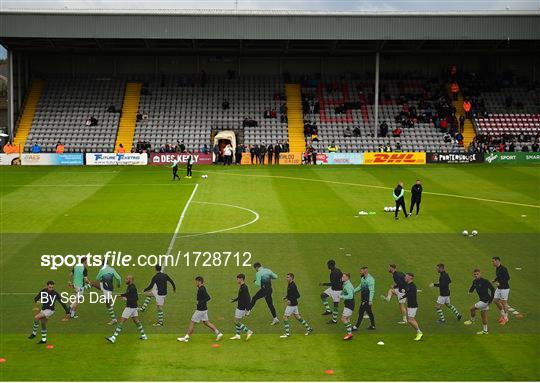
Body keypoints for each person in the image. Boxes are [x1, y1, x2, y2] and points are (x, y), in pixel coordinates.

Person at [177, 276, 223, 342]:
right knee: (206, 322)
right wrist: (201, 302)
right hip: (204, 309)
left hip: (200, 310)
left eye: (196, 281)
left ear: (199, 281)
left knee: (192, 322)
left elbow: (208, 298)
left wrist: (200, 303)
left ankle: (186, 337)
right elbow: (207, 298)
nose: (195, 283)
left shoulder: (201, 289)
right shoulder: (202, 288)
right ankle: (218, 333)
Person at [106, 275, 147, 343]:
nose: (125, 280)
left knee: (121, 321)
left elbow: (136, 298)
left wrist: (126, 299)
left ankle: (113, 337)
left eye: (127, 279)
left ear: (130, 280)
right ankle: (144, 335)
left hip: (130, 307)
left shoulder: (132, 288)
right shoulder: (130, 287)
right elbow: (128, 294)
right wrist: (121, 295)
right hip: (134, 307)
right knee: (136, 321)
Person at [279, 273, 313, 338]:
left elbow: (297, 295)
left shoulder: (293, 286)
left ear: (292, 278)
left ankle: (287, 334)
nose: (287, 278)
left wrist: (290, 300)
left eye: (288, 277)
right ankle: (309, 328)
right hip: (294, 304)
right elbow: (290, 293)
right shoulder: (290, 284)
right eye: (287, 277)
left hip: (291, 305)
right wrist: (286, 297)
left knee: (285, 317)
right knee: (298, 317)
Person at [464, 269, 495, 335]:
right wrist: (470, 291)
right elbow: (473, 286)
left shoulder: (485, 281)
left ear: (480, 274)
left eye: (477, 274)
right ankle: (485, 331)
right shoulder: (474, 281)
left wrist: (491, 300)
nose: (476, 275)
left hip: (485, 300)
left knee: (471, 308)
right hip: (482, 300)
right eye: (475, 274)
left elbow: (492, 289)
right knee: (483, 316)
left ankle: (472, 320)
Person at [230, 274, 253, 340]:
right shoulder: (242, 286)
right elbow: (241, 296)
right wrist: (235, 300)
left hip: (241, 307)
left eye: (237, 279)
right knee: (238, 321)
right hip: (240, 306)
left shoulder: (244, 287)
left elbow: (248, 298)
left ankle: (248, 331)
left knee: (236, 321)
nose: (236, 280)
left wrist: (247, 309)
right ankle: (238, 335)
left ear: (241, 279)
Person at [319, 259, 343, 324]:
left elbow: (333, 283)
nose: (327, 266)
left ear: (330, 265)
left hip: (337, 291)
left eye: (328, 265)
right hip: (333, 288)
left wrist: (323, 284)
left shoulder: (334, 273)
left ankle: (334, 320)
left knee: (335, 305)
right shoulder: (337, 270)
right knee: (322, 295)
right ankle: (328, 310)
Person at [353, 266, 376, 331]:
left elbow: (372, 290)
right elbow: (360, 286)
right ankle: (373, 326)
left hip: (367, 299)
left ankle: (356, 327)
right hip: (363, 298)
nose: (360, 272)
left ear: (365, 271)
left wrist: (370, 300)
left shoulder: (371, 279)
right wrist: (353, 291)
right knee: (369, 312)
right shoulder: (363, 278)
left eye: (361, 271)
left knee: (361, 312)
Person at [404, 273, 423, 341]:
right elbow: (407, 293)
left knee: (410, 320)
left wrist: (406, 293)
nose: (405, 278)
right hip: (410, 305)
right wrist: (404, 296)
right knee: (411, 319)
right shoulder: (408, 285)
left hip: (413, 305)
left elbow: (412, 294)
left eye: (406, 277)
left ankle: (419, 332)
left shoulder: (413, 286)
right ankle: (418, 332)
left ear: (410, 277)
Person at [491, 257, 511, 325]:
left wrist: (500, 283)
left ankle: (506, 318)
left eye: (493, 261)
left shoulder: (503, 269)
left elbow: (508, 278)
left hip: (504, 288)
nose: (492, 263)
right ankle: (503, 315)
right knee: (495, 300)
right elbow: (499, 276)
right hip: (499, 288)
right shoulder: (497, 268)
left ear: (497, 261)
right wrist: (495, 280)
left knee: (504, 303)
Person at [340, 273, 355, 340]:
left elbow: (350, 296)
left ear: (347, 278)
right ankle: (350, 333)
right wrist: (341, 293)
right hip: (349, 304)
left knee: (343, 318)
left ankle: (349, 334)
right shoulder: (346, 284)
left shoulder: (348, 285)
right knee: (348, 319)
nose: (342, 277)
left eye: (344, 276)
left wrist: (342, 296)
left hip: (349, 304)